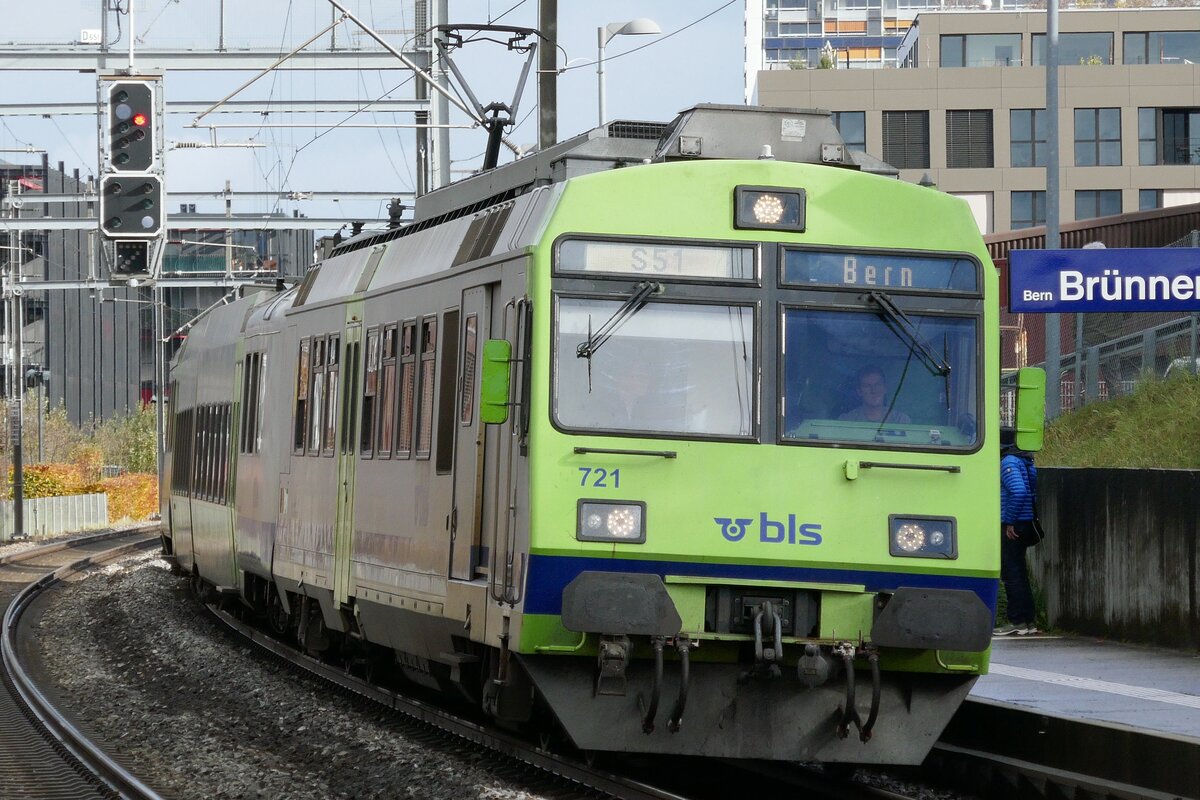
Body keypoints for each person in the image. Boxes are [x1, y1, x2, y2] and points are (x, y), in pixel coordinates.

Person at [995, 431, 1040, 636]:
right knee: (1020, 573)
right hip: (1026, 522)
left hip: (1013, 525)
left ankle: (1017, 620)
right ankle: (1029, 621)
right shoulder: (1026, 462)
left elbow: (1018, 491)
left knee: (1011, 573)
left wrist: (1010, 521)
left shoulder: (1008, 462)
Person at [838, 365, 910, 424]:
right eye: (867, 386)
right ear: (859, 391)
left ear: (885, 388)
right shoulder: (847, 420)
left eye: (878, 385)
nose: (873, 390)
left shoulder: (900, 420)